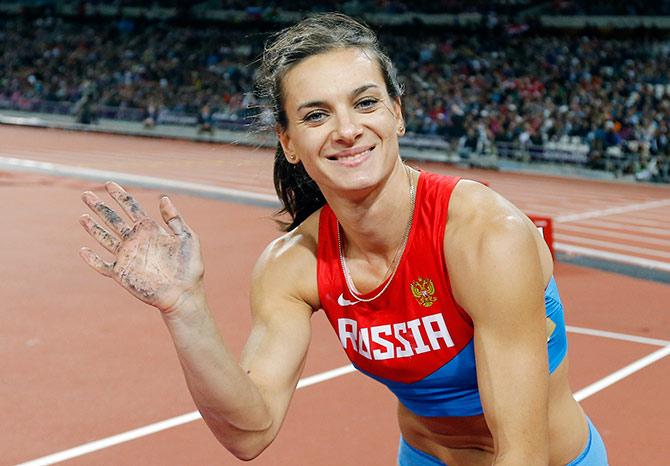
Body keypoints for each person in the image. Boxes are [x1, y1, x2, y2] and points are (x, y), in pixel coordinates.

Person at [79, 13, 608, 465]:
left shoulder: (485, 237)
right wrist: (184, 308)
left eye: (365, 103)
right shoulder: (293, 264)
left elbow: (520, 451)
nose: (347, 129)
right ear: (288, 142)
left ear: (397, 113)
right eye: (316, 115)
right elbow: (250, 430)